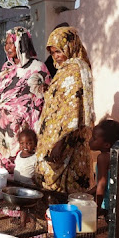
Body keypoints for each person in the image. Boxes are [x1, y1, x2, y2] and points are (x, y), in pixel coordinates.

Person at [34, 26, 95, 193]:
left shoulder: (75, 69)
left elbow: (74, 108)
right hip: (55, 138)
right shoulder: (65, 69)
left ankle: (66, 219)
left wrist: (61, 142)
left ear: (70, 46)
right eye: (53, 53)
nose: (56, 56)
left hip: (67, 142)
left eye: (59, 51)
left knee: (67, 191)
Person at [0, 27, 50, 173]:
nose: (8, 47)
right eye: (6, 43)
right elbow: (0, 93)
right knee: (4, 163)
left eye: (12, 43)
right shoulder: (7, 67)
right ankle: (6, 190)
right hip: (3, 126)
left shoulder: (38, 67)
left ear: (22, 44)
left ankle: (22, 190)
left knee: (22, 160)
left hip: (23, 127)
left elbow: (43, 98)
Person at [89, 119, 119, 216]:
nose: (90, 141)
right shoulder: (116, 154)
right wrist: (88, 193)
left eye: (94, 138)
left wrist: (96, 209)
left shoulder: (103, 158)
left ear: (106, 144)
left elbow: (102, 184)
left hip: (115, 199)